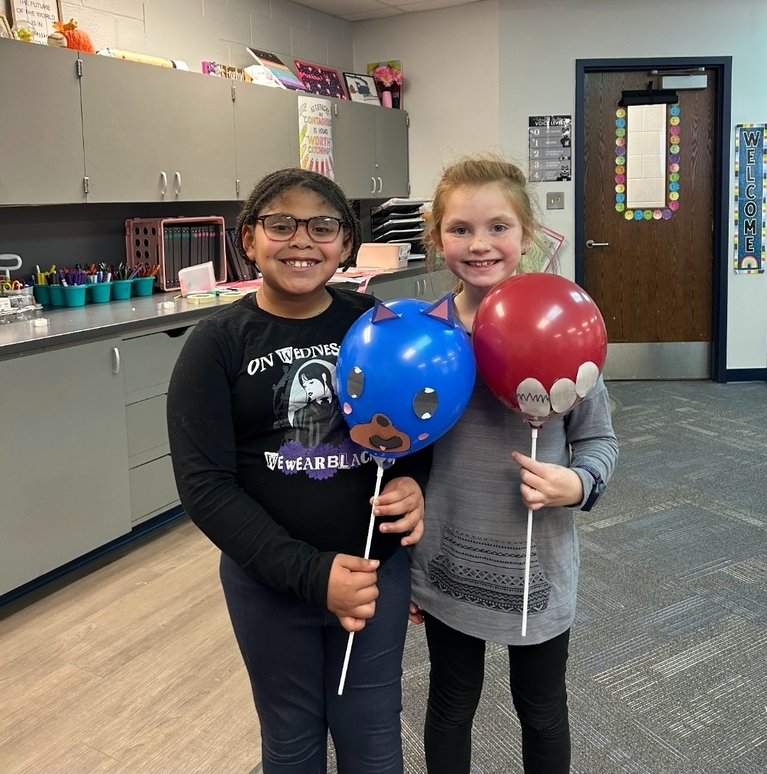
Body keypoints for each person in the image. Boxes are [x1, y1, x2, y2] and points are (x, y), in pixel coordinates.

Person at [167, 167, 428, 774]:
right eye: (280, 224)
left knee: (373, 740)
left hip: (372, 574)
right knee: (290, 742)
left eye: (322, 225)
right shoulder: (217, 343)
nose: (302, 240)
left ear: (347, 242)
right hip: (270, 585)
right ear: (249, 240)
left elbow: (416, 424)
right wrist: (312, 576)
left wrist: (419, 480)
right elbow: (204, 488)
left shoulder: (374, 322)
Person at [409, 155, 618, 774]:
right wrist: (402, 562)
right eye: (460, 229)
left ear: (527, 235)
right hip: (449, 558)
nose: (480, 245)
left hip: (537, 563)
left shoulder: (563, 327)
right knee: (449, 704)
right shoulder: (425, 336)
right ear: (436, 236)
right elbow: (401, 458)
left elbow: (599, 440)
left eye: (498, 227)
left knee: (542, 708)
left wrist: (577, 483)